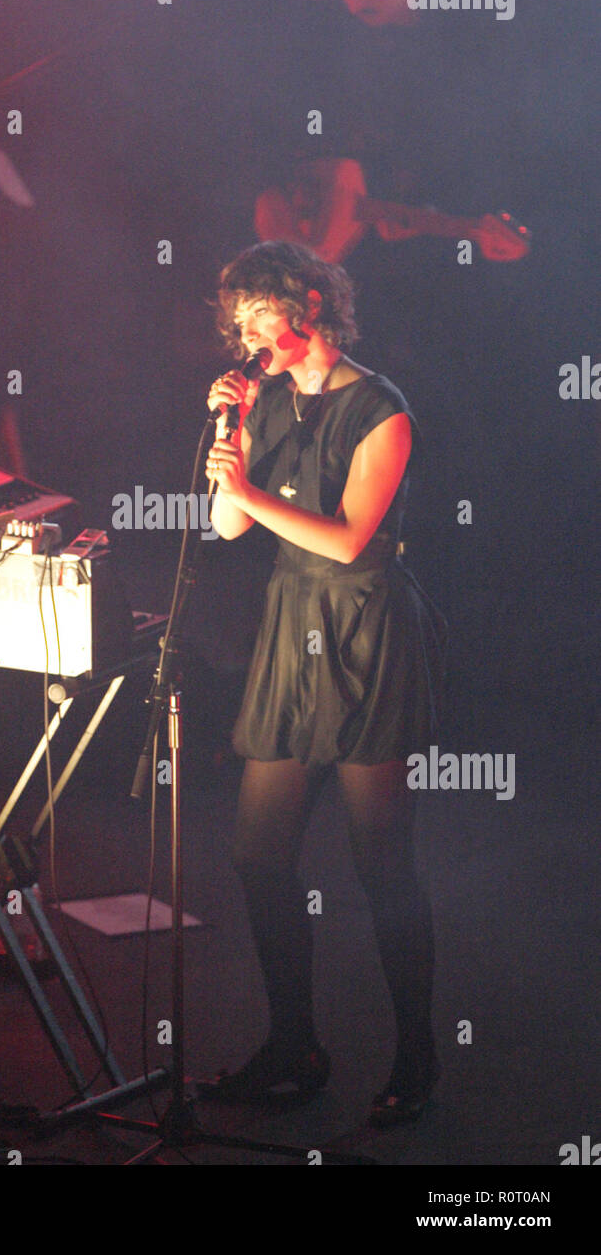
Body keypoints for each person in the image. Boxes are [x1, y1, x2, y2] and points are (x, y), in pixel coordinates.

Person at [202, 240, 447, 1127]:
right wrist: (231, 437)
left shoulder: (382, 411)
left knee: (380, 860)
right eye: (238, 321)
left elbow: (347, 539)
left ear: (306, 305)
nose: (248, 333)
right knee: (258, 856)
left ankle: (417, 1054)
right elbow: (227, 528)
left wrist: (250, 495)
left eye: (260, 314)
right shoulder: (263, 401)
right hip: (290, 629)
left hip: (363, 627)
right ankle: (293, 1046)